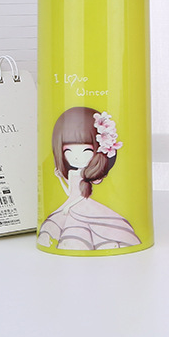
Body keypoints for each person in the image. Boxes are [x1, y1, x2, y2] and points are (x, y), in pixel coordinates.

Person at [37, 107, 140, 251]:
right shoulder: (72, 174)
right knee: (67, 227)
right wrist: (60, 178)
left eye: (87, 150)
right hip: (72, 204)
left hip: (81, 204)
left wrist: (68, 206)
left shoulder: (86, 175)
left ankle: (106, 243)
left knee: (89, 227)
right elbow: (69, 192)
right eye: (68, 151)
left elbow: (80, 196)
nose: (76, 157)